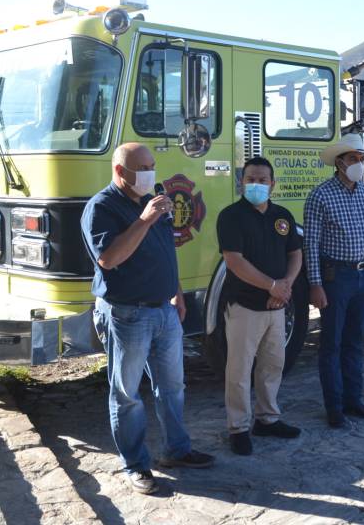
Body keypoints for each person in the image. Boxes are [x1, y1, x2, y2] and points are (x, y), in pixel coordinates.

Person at [81, 143, 214, 496]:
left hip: (163, 311)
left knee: (172, 387)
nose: (150, 173)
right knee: (127, 395)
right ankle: (136, 464)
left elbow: (165, 250)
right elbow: (109, 259)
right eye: (142, 168)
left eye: (152, 165)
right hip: (127, 313)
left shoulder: (152, 201)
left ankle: (177, 450)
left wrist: (176, 291)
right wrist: (144, 220)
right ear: (119, 171)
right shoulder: (102, 207)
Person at [216, 156, 303, 456]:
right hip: (245, 305)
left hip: (277, 306)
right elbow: (234, 262)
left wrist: (285, 285)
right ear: (241, 182)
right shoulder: (231, 216)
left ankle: (267, 419)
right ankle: (238, 427)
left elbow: (295, 254)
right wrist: (272, 286)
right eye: (251, 179)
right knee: (239, 370)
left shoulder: (282, 216)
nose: (256, 184)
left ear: (272, 184)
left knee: (272, 365)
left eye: (262, 180)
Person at [304, 133, 364, 428]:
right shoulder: (320, 195)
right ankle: (334, 407)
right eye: (353, 158)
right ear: (339, 162)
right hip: (336, 277)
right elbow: (311, 244)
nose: (359, 164)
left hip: (363, 275)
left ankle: (353, 400)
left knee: (354, 341)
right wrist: (315, 284)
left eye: (362, 159)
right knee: (332, 344)